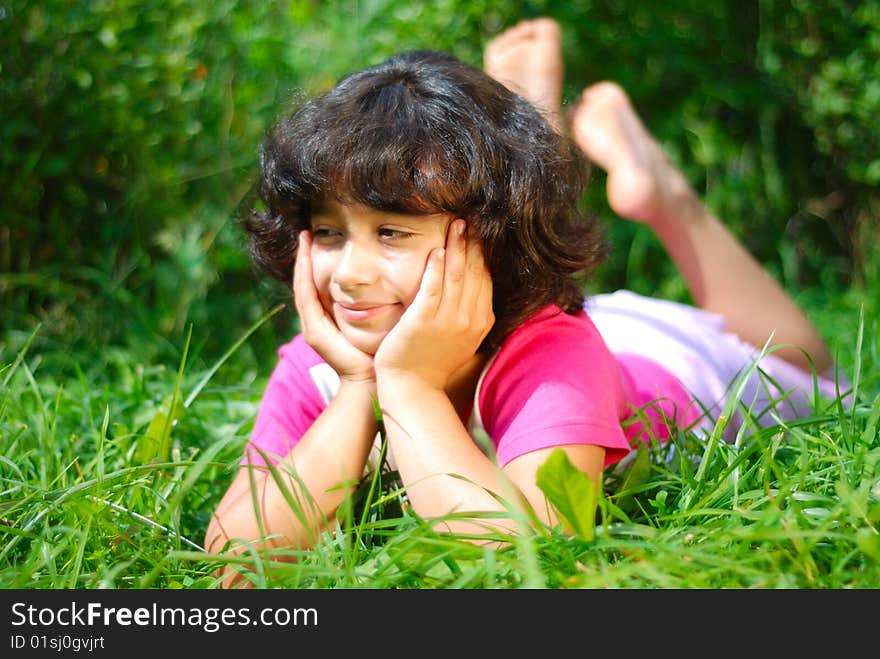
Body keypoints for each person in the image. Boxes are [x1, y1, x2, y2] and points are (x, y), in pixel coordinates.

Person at [204, 17, 843, 586]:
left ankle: (662, 190)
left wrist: (410, 388)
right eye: (332, 233)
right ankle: (535, 131)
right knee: (516, 208)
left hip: (669, 361)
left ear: (485, 243)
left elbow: (529, 556)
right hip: (565, 322)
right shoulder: (319, 362)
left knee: (814, 372)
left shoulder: (553, 349)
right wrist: (357, 386)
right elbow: (233, 559)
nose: (349, 274)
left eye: (392, 232)